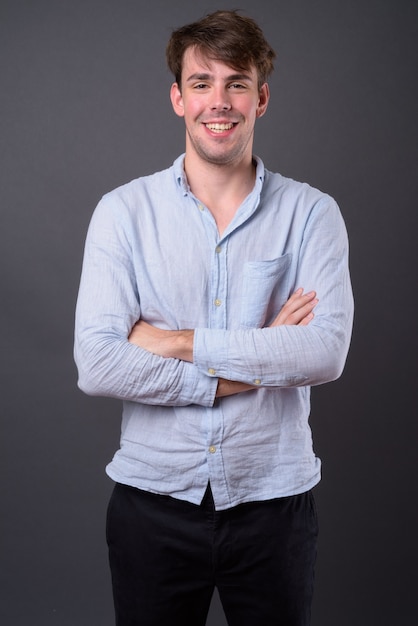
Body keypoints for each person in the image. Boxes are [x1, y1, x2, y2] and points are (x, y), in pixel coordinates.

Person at [74, 9, 353, 626]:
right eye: (202, 83)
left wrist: (174, 341)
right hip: (152, 502)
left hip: (274, 502)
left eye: (237, 83)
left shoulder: (312, 214)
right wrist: (249, 363)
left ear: (262, 97)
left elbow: (323, 353)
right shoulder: (123, 212)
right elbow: (96, 363)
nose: (218, 102)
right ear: (178, 97)